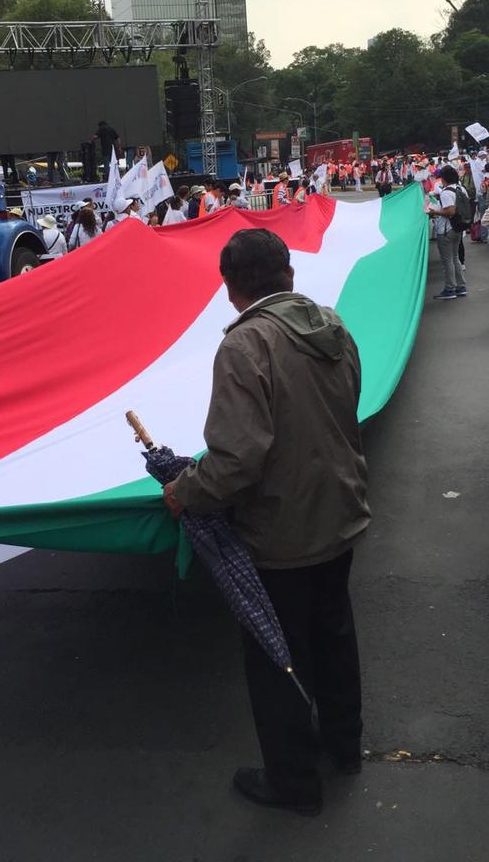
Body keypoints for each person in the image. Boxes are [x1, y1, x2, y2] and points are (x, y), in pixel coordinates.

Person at [163, 229, 370, 815]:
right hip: (341, 511)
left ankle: (294, 784)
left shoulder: (245, 346)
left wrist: (185, 491)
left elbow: (236, 461)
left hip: (281, 533)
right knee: (335, 636)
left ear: (230, 289)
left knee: (278, 659)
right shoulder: (331, 326)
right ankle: (344, 747)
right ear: (289, 271)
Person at [426, 164, 467, 299]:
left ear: (444, 178)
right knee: (455, 258)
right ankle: (461, 286)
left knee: (447, 260)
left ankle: (450, 289)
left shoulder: (446, 192)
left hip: (446, 230)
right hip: (458, 228)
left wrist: (434, 211)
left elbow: (450, 211)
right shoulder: (461, 189)